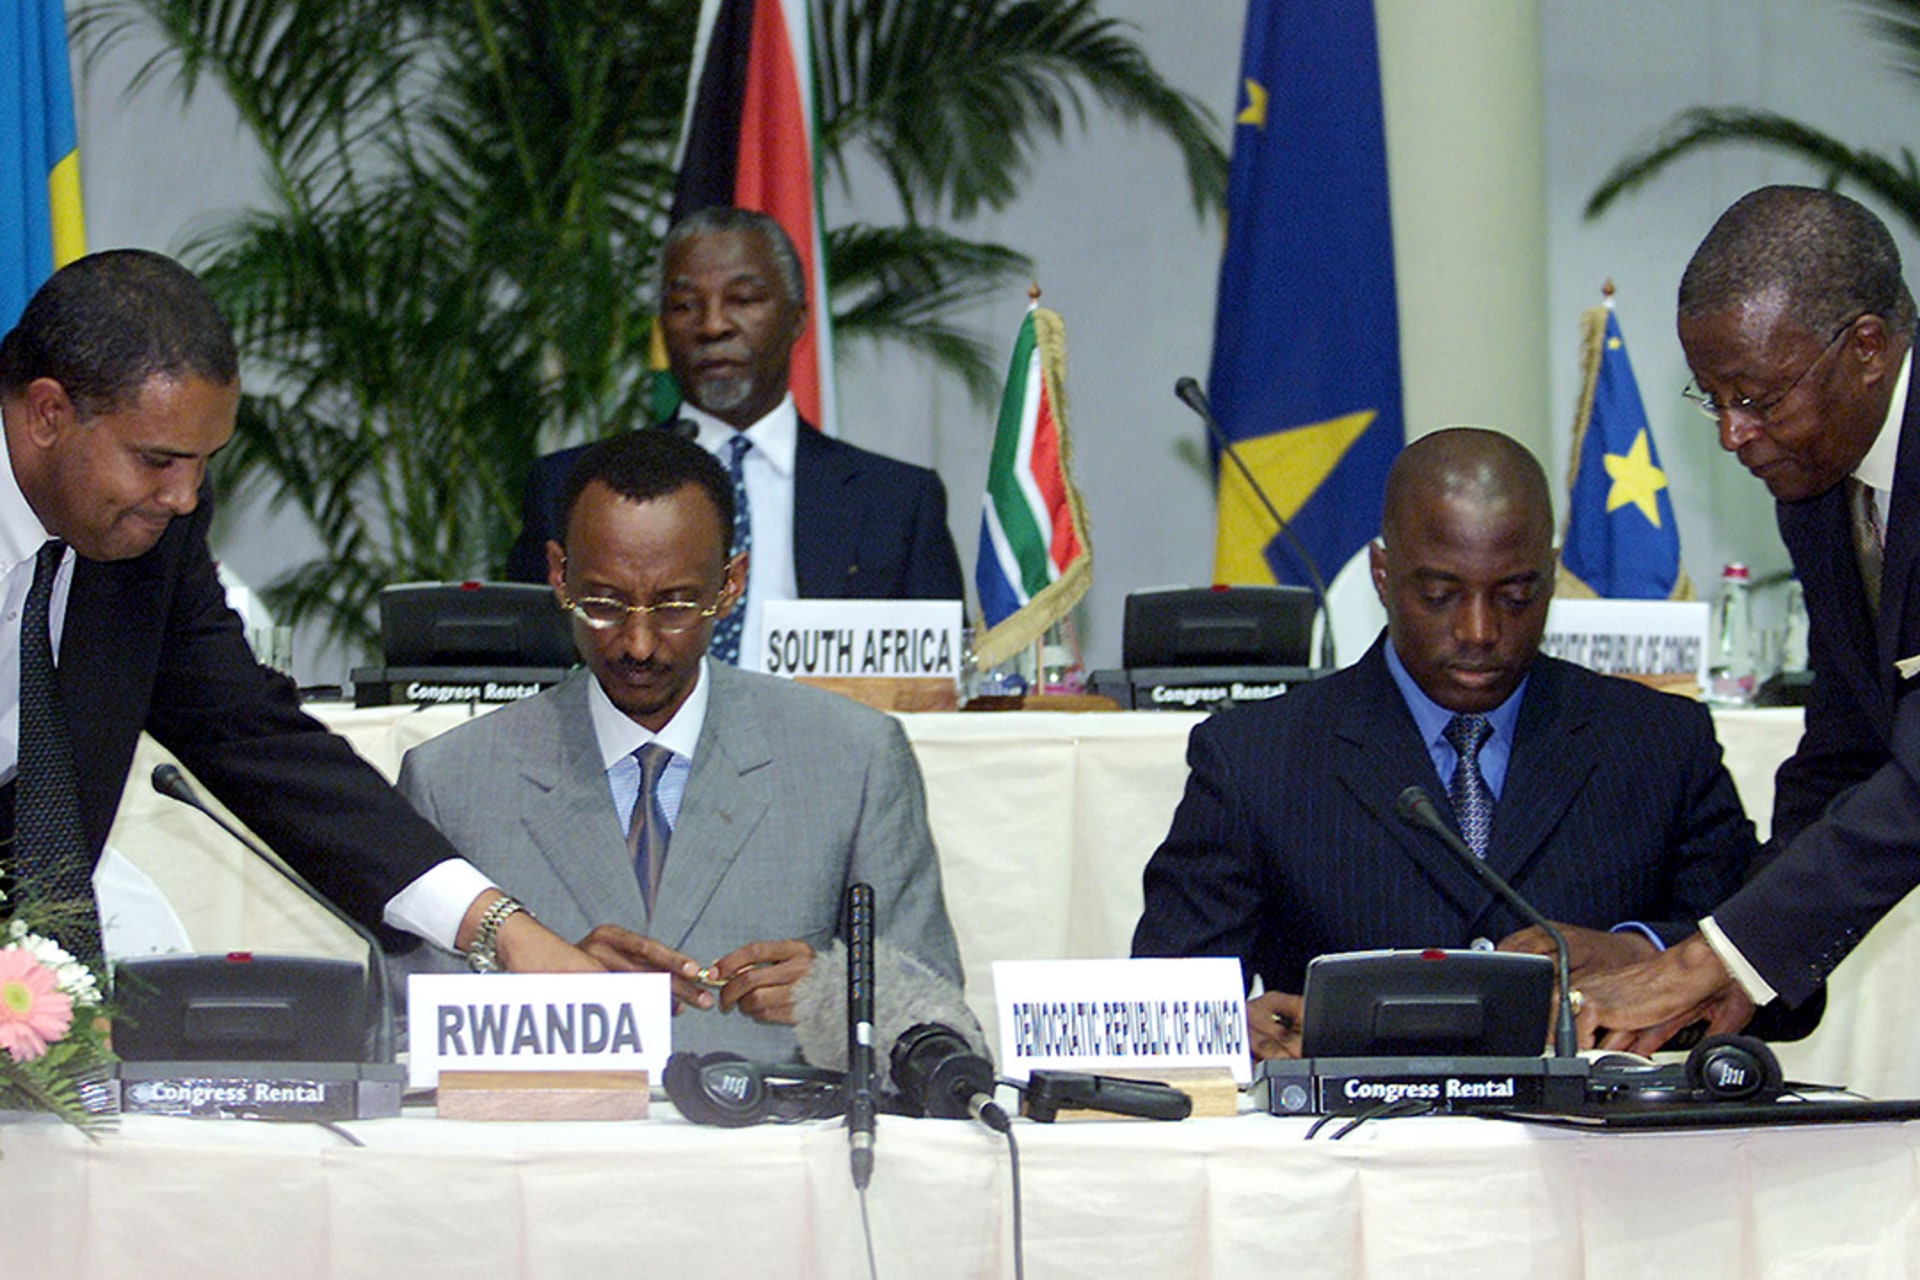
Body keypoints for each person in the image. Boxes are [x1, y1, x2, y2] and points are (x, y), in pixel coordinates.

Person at [0, 248, 595, 974]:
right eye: (157, 460)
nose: (184, 497)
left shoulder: (155, 526)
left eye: (204, 461)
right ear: (48, 414)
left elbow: (249, 734)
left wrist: (496, 927)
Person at [1131, 428, 1758, 1059]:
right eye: (1438, 595)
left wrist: (1646, 952)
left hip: (1586, 1143)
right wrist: (1236, 1032)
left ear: (1551, 574)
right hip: (1353, 1147)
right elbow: (1166, 1005)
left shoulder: (1659, 741)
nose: (1479, 630)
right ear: (1382, 574)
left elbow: (1783, 991)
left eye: (1516, 595)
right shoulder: (1256, 757)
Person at [397, 427, 965, 1058]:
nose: (637, 645)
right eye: (605, 604)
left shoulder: (853, 760)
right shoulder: (451, 781)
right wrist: (539, 1001)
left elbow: (945, 1026)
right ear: (558, 576)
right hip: (550, 1149)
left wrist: (840, 995)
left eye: (674, 606)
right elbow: (397, 1033)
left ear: (730, 585)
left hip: (776, 1151)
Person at [1579, 186, 1920, 1051]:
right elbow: (1845, 750)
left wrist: (1717, 957)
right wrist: (1740, 977)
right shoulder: (1818, 487)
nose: (1732, 435)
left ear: (1868, 349)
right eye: (1714, 399)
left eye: (1759, 398)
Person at [505, 207, 964, 670]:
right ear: (662, 324)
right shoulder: (573, 487)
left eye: (743, 300)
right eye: (684, 306)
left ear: (797, 318)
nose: (712, 326)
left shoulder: (897, 502)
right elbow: (534, 670)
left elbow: (938, 685)